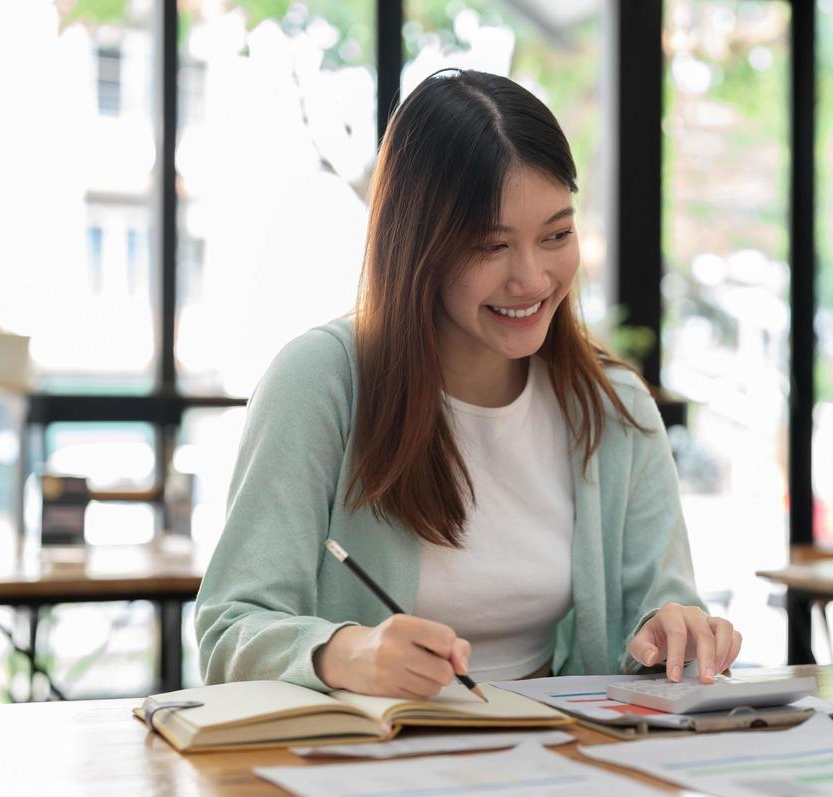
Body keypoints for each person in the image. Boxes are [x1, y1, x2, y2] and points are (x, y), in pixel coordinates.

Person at [195, 69, 741, 700]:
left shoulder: (615, 408)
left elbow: (657, 610)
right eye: (491, 245)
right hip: (368, 763)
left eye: (557, 235)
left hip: (560, 759)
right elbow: (229, 627)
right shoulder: (321, 382)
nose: (532, 278)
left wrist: (672, 634)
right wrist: (347, 653)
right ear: (418, 246)